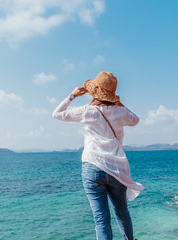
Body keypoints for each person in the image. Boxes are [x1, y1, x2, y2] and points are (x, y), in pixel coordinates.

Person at [52, 72, 144, 240]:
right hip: (117, 169)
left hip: (92, 167)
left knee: (101, 219)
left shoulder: (87, 111)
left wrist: (72, 95)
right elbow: (136, 119)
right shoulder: (120, 111)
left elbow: (57, 113)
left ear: (94, 92)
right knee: (122, 212)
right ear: (112, 93)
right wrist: (120, 102)